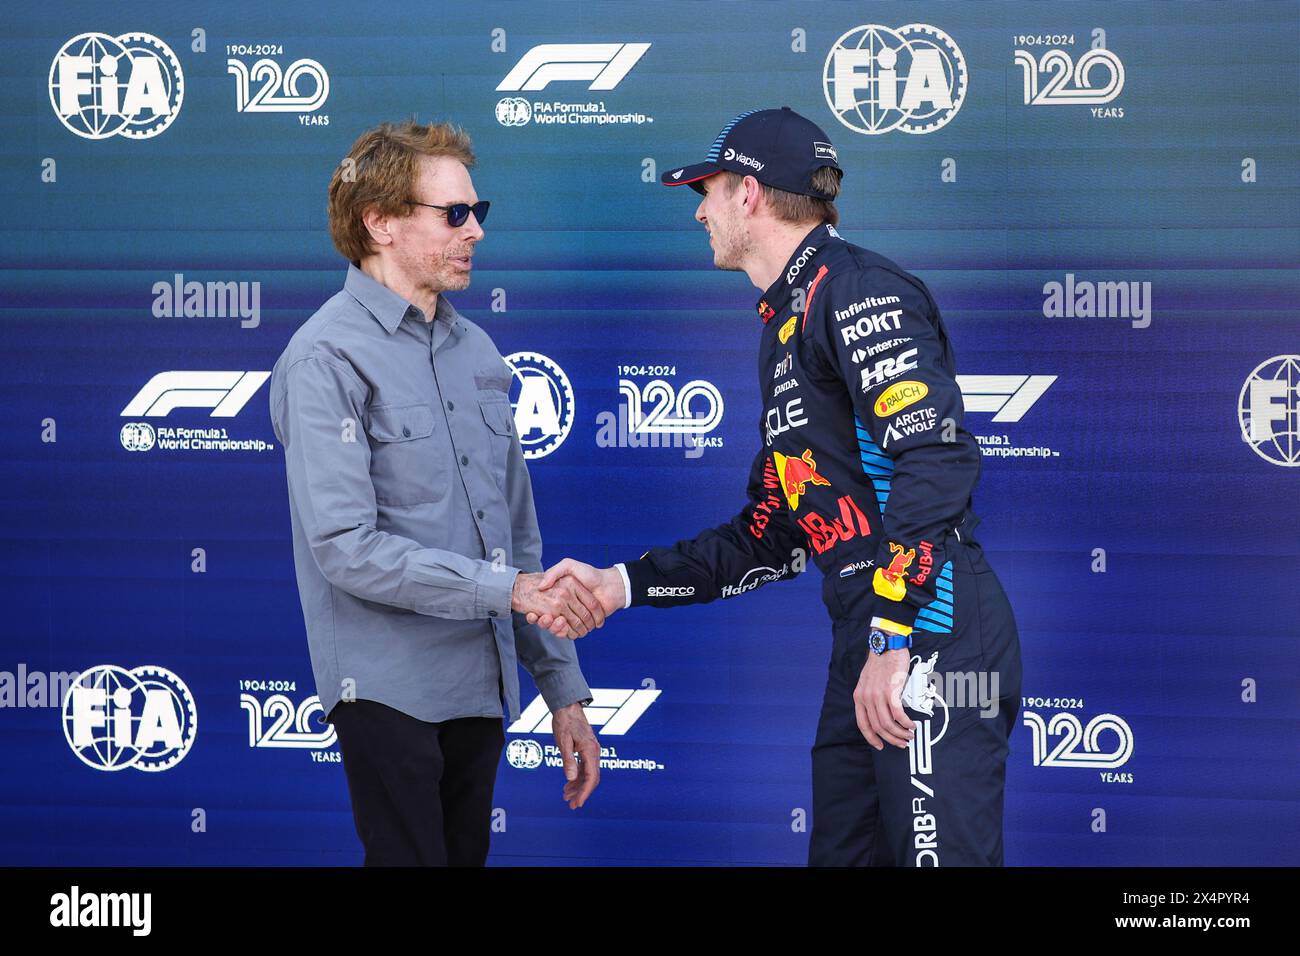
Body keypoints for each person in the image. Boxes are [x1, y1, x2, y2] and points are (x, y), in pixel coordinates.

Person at [533, 107, 1023, 866]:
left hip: (930, 627)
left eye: (709, 189)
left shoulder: (859, 291)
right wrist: (618, 586)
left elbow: (937, 458)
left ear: (751, 194)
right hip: (869, 638)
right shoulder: (785, 325)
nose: (699, 209)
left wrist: (894, 631)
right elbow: (771, 531)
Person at [269, 120, 604, 866]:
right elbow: (345, 550)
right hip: (387, 687)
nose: (476, 230)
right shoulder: (323, 357)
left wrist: (563, 691)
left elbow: (517, 538)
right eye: (454, 214)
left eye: (478, 211)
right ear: (380, 223)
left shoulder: (476, 350)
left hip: (478, 689)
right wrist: (507, 589)